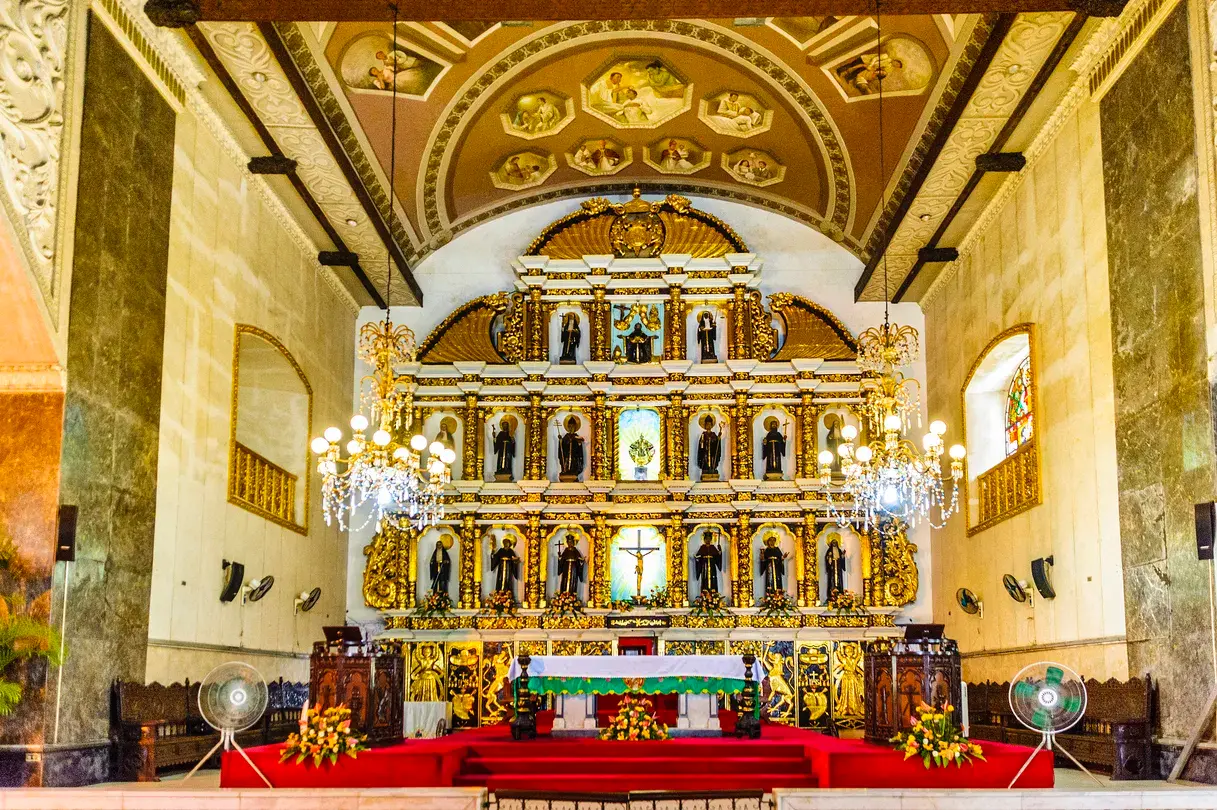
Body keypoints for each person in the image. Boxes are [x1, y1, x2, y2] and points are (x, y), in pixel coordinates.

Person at [693, 530, 723, 595]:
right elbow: (698, 557)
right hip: (704, 566)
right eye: (706, 539)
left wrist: (720, 552)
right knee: (704, 578)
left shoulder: (713, 547)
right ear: (704, 539)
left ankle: (714, 594)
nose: (708, 540)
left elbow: (717, 557)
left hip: (712, 566)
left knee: (713, 578)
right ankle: (704, 594)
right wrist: (697, 558)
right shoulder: (702, 547)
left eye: (709, 539)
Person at [557, 414, 585, 481]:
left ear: (575, 427)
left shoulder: (576, 436)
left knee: (574, 465)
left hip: (574, 456)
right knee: (565, 464)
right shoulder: (566, 437)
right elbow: (562, 446)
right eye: (570, 426)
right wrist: (560, 441)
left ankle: (573, 472)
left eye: (572, 426)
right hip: (566, 456)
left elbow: (579, 449)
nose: (571, 427)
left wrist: (579, 443)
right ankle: (565, 471)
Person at [696, 414, 722, 481]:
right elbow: (701, 446)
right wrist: (703, 443)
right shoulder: (703, 435)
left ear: (711, 425)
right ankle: (706, 469)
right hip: (705, 453)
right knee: (705, 461)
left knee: (713, 461)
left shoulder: (714, 435)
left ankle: (712, 469)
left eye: (710, 424)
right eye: (707, 424)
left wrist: (718, 438)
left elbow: (717, 445)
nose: (708, 426)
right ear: (705, 425)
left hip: (712, 453)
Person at [824, 534, 846, 599]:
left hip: (838, 566)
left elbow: (841, 558)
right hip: (832, 567)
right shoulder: (829, 551)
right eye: (833, 543)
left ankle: (839, 593)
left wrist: (843, 556)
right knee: (832, 579)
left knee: (839, 579)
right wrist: (830, 558)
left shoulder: (839, 550)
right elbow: (827, 558)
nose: (834, 544)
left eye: (835, 543)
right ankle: (832, 593)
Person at [493, 417, 516, 481]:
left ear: (508, 426)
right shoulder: (500, 433)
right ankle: (500, 470)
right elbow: (497, 442)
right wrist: (494, 437)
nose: (505, 426)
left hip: (508, 449)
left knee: (507, 459)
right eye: (503, 425)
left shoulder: (510, 433)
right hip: (501, 449)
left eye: (506, 425)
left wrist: (512, 440)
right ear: (502, 426)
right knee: (500, 459)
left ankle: (507, 469)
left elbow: (513, 442)